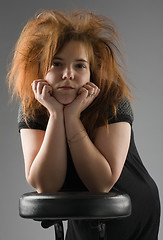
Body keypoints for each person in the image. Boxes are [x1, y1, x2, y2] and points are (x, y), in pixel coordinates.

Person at [8, 9, 160, 239]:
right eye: (56, 64)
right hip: (82, 208)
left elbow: (101, 183)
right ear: (40, 69)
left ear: (91, 72)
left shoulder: (112, 98)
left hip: (129, 206)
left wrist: (73, 118)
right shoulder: (34, 106)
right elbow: (45, 184)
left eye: (79, 66)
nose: (67, 74)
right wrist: (57, 115)